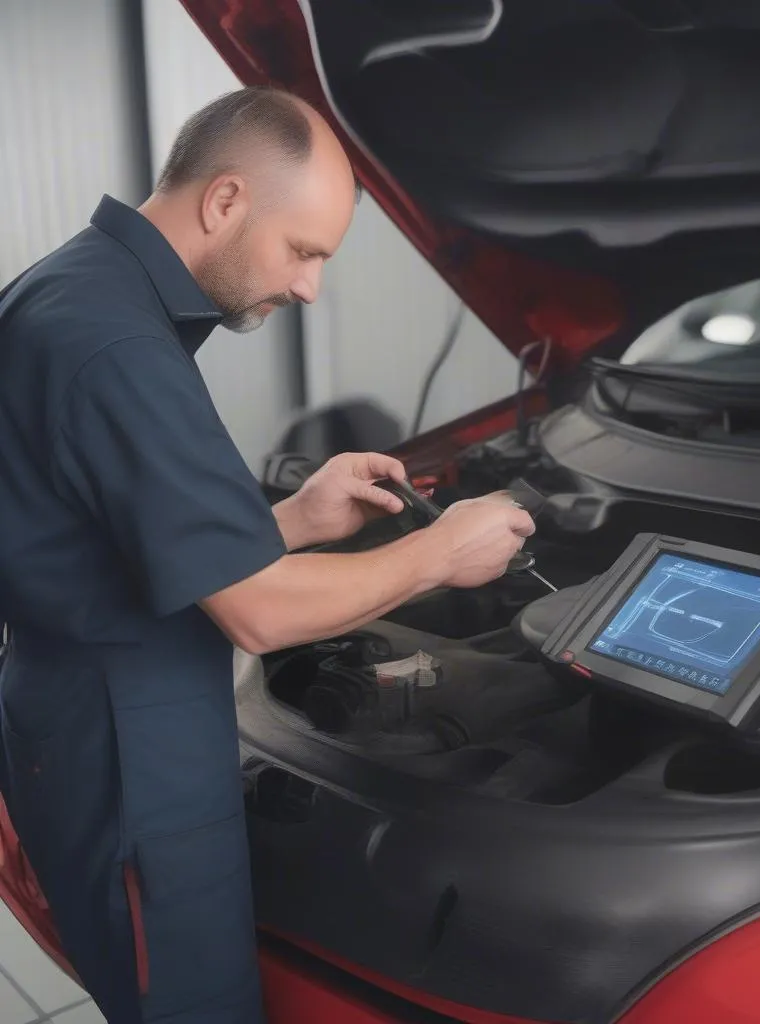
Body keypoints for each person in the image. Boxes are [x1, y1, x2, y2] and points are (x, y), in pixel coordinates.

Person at [0, 87, 534, 1024]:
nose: (307, 287)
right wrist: (441, 553)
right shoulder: (116, 344)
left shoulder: (74, 290)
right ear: (225, 201)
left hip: (84, 716)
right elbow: (257, 612)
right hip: (134, 758)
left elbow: (107, 531)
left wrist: (289, 520)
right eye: (305, 251)